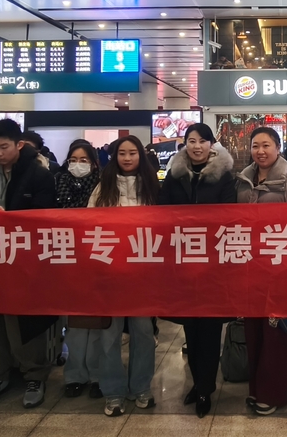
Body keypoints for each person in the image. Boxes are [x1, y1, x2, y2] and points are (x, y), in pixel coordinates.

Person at [0, 119, 58, 408]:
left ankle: (34, 375)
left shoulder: (39, 174)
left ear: (19, 144)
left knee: (23, 320)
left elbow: (45, 214)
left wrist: (11, 217)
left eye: (4, 147)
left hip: (23, 256)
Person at [158, 123, 237, 418]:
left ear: (211, 145)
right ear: (185, 144)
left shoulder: (224, 175)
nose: (197, 146)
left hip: (213, 263)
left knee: (210, 328)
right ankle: (197, 382)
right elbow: (163, 211)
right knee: (190, 328)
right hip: (183, 261)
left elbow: (228, 215)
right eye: (191, 140)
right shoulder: (175, 174)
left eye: (203, 141)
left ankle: (206, 388)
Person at [234, 127, 287, 416]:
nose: (260, 151)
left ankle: (273, 394)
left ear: (278, 147)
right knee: (254, 330)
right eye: (256, 146)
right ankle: (256, 389)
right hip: (250, 267)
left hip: (280, 267)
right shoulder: (243, 181)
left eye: (266, 145)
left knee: (276, 332)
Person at [88, 135, 161, 417]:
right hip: (110, 273)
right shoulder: (103, 187)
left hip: (144, 273)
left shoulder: (153, 187)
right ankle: (113, 392)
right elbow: (89, 226)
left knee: (144, 333)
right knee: (110, 336)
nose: (127, 158)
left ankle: (141, 388)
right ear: (114, 156)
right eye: (122, 153)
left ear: (141, 156)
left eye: (133, 153)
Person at [56, 140, 103, 399]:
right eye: (73, 159)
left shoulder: (103, 184)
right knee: (73, 324)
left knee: (96, 323)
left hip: (95, 256)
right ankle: (75, 375)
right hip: (67, 257)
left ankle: (97, 375)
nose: (78, 165)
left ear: (94, 163)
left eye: (83, 160)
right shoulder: (58, 182)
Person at [56, 139, 101, 209]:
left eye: (83, 161)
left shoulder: (101, 183)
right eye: (73, 160)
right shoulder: (60, 180)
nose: (77, 164)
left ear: (95, 164)